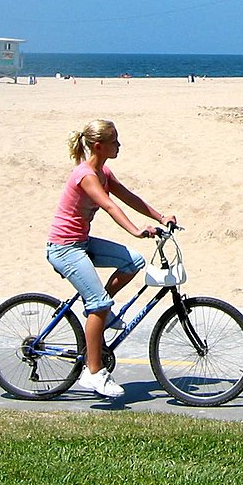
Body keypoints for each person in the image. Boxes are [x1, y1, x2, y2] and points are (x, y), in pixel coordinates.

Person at [45, 119, 176, 398]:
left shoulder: (103, 171)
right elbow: (108, 205)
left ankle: (100, 316)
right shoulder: (86, 175)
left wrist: (160, 216)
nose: (119, 145)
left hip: (81, 243)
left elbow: (129, 197)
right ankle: (93, 373)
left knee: (134, 261)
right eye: (115, 141)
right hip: (64, 248)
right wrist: (136, 230)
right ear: (98, 146)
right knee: (99, 304)